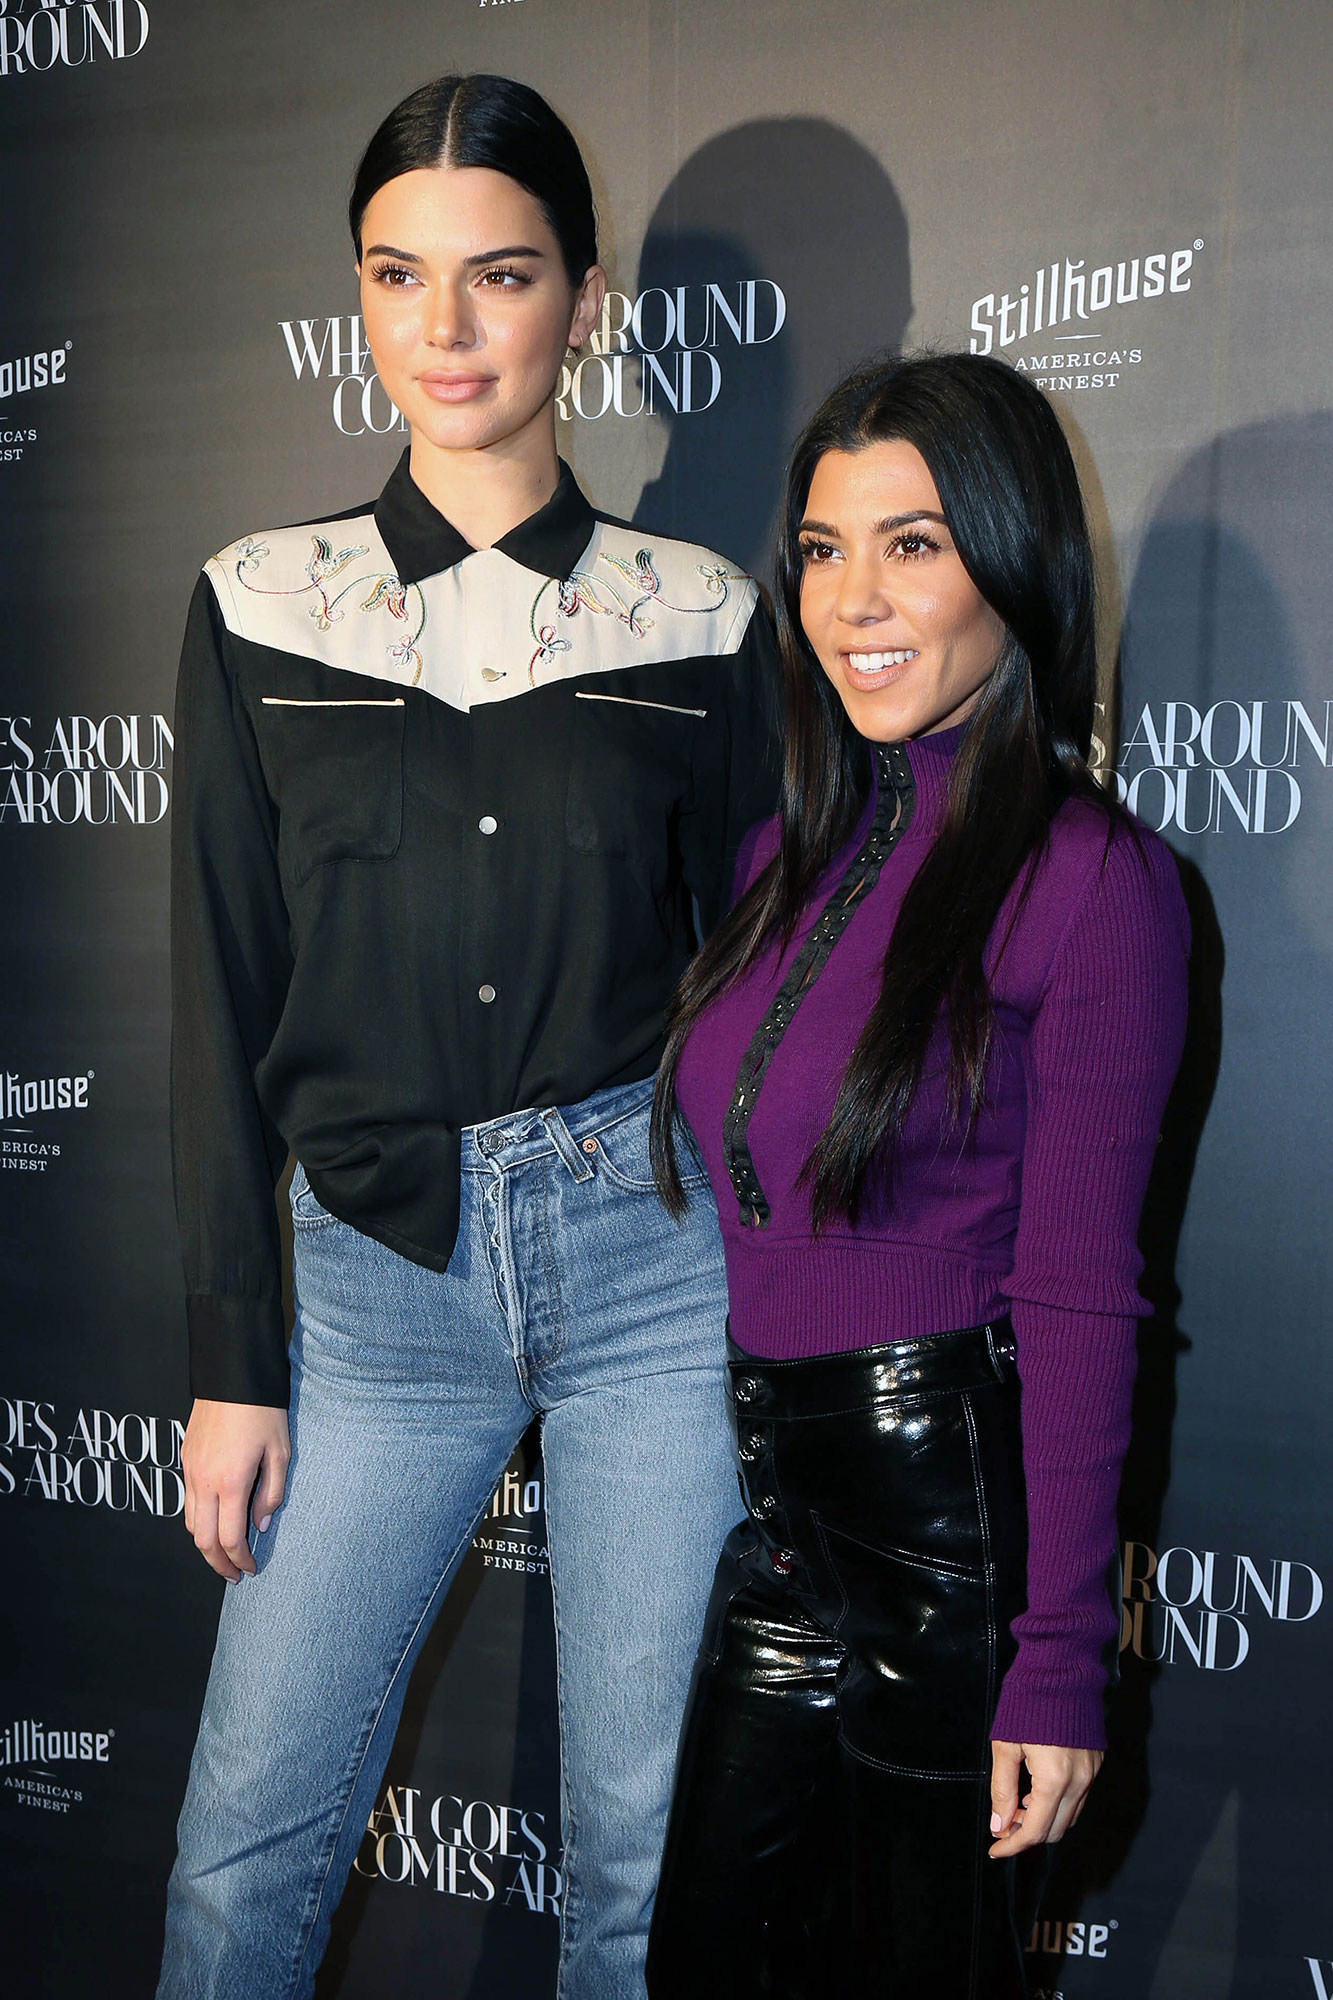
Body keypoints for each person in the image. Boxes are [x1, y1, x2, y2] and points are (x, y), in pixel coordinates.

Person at [157, 73, 778, 2000]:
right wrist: (231, 1363)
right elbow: (218, 993)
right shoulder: (259, 604)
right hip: (370, 1291)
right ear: (356, 294)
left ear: (584, 302)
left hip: (655, 1275)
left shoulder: (704, 616)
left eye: (498, 275)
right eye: (395, 274)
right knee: (242, 1853)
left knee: (641, 1873)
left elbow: (765, 987)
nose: (443, 327)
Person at [644, 352, 1190, 1998]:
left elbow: (1081, 1292)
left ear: (1012, 567)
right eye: (822, 549)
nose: (851, 600)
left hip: (958, 1549)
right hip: (786, 1538)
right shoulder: (781, 857)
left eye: (912, 545)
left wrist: (1056, 1656)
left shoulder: (1092, 882)